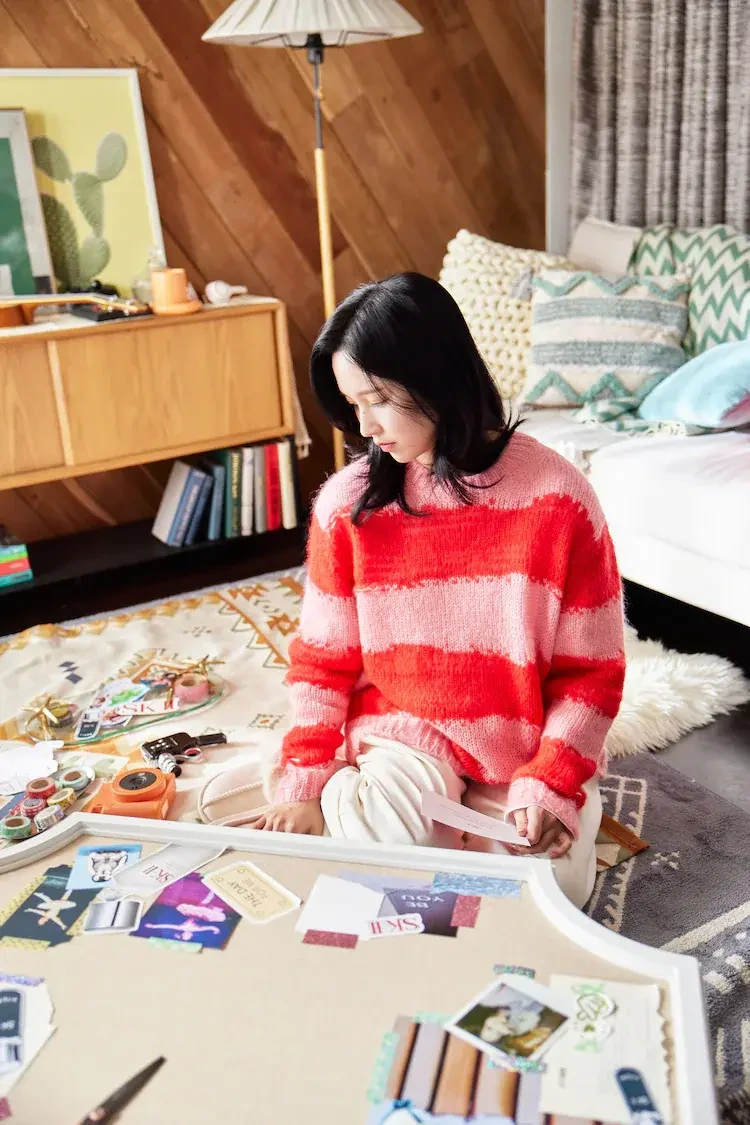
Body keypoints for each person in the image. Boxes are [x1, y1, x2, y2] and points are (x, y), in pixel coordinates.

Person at [253, 272, 625, 908]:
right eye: (353, 404)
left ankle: (481, 825)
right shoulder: (347, 505)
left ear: (436, 375)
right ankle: (354, 790)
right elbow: (322, 662)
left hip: (517, 743)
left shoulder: (560, 496)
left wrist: (551, 781)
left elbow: (591, 674)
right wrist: (308, 779)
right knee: (389, 838)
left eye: (377, 399)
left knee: (556, 889)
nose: (365, 426)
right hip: (403, 732)